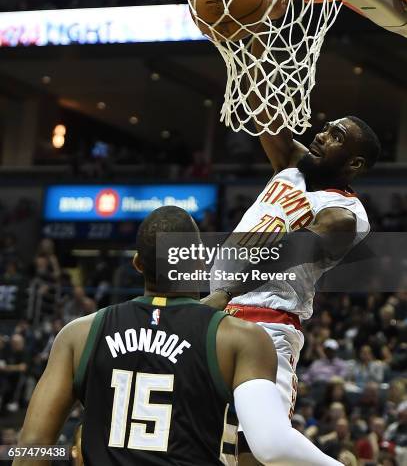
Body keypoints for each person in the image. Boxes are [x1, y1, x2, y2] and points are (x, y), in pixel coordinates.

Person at [13, 206, 341, 466]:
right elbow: (269, 446)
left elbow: (30, 448)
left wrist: (67, 455)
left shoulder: (78, 335)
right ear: (200, 263)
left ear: (138, 264)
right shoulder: (240, 339)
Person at [212, 108, 380, 463]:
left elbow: (284, 255)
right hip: (222, 319)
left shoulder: (344, 214)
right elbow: (263, 108)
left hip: (266, 327)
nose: (321, 135)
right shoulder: (291, 165)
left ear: (355, 164)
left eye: (337, 137)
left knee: (264, 447)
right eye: (326, 129)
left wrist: (222, 292)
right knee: (226, 450)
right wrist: (252, 51)